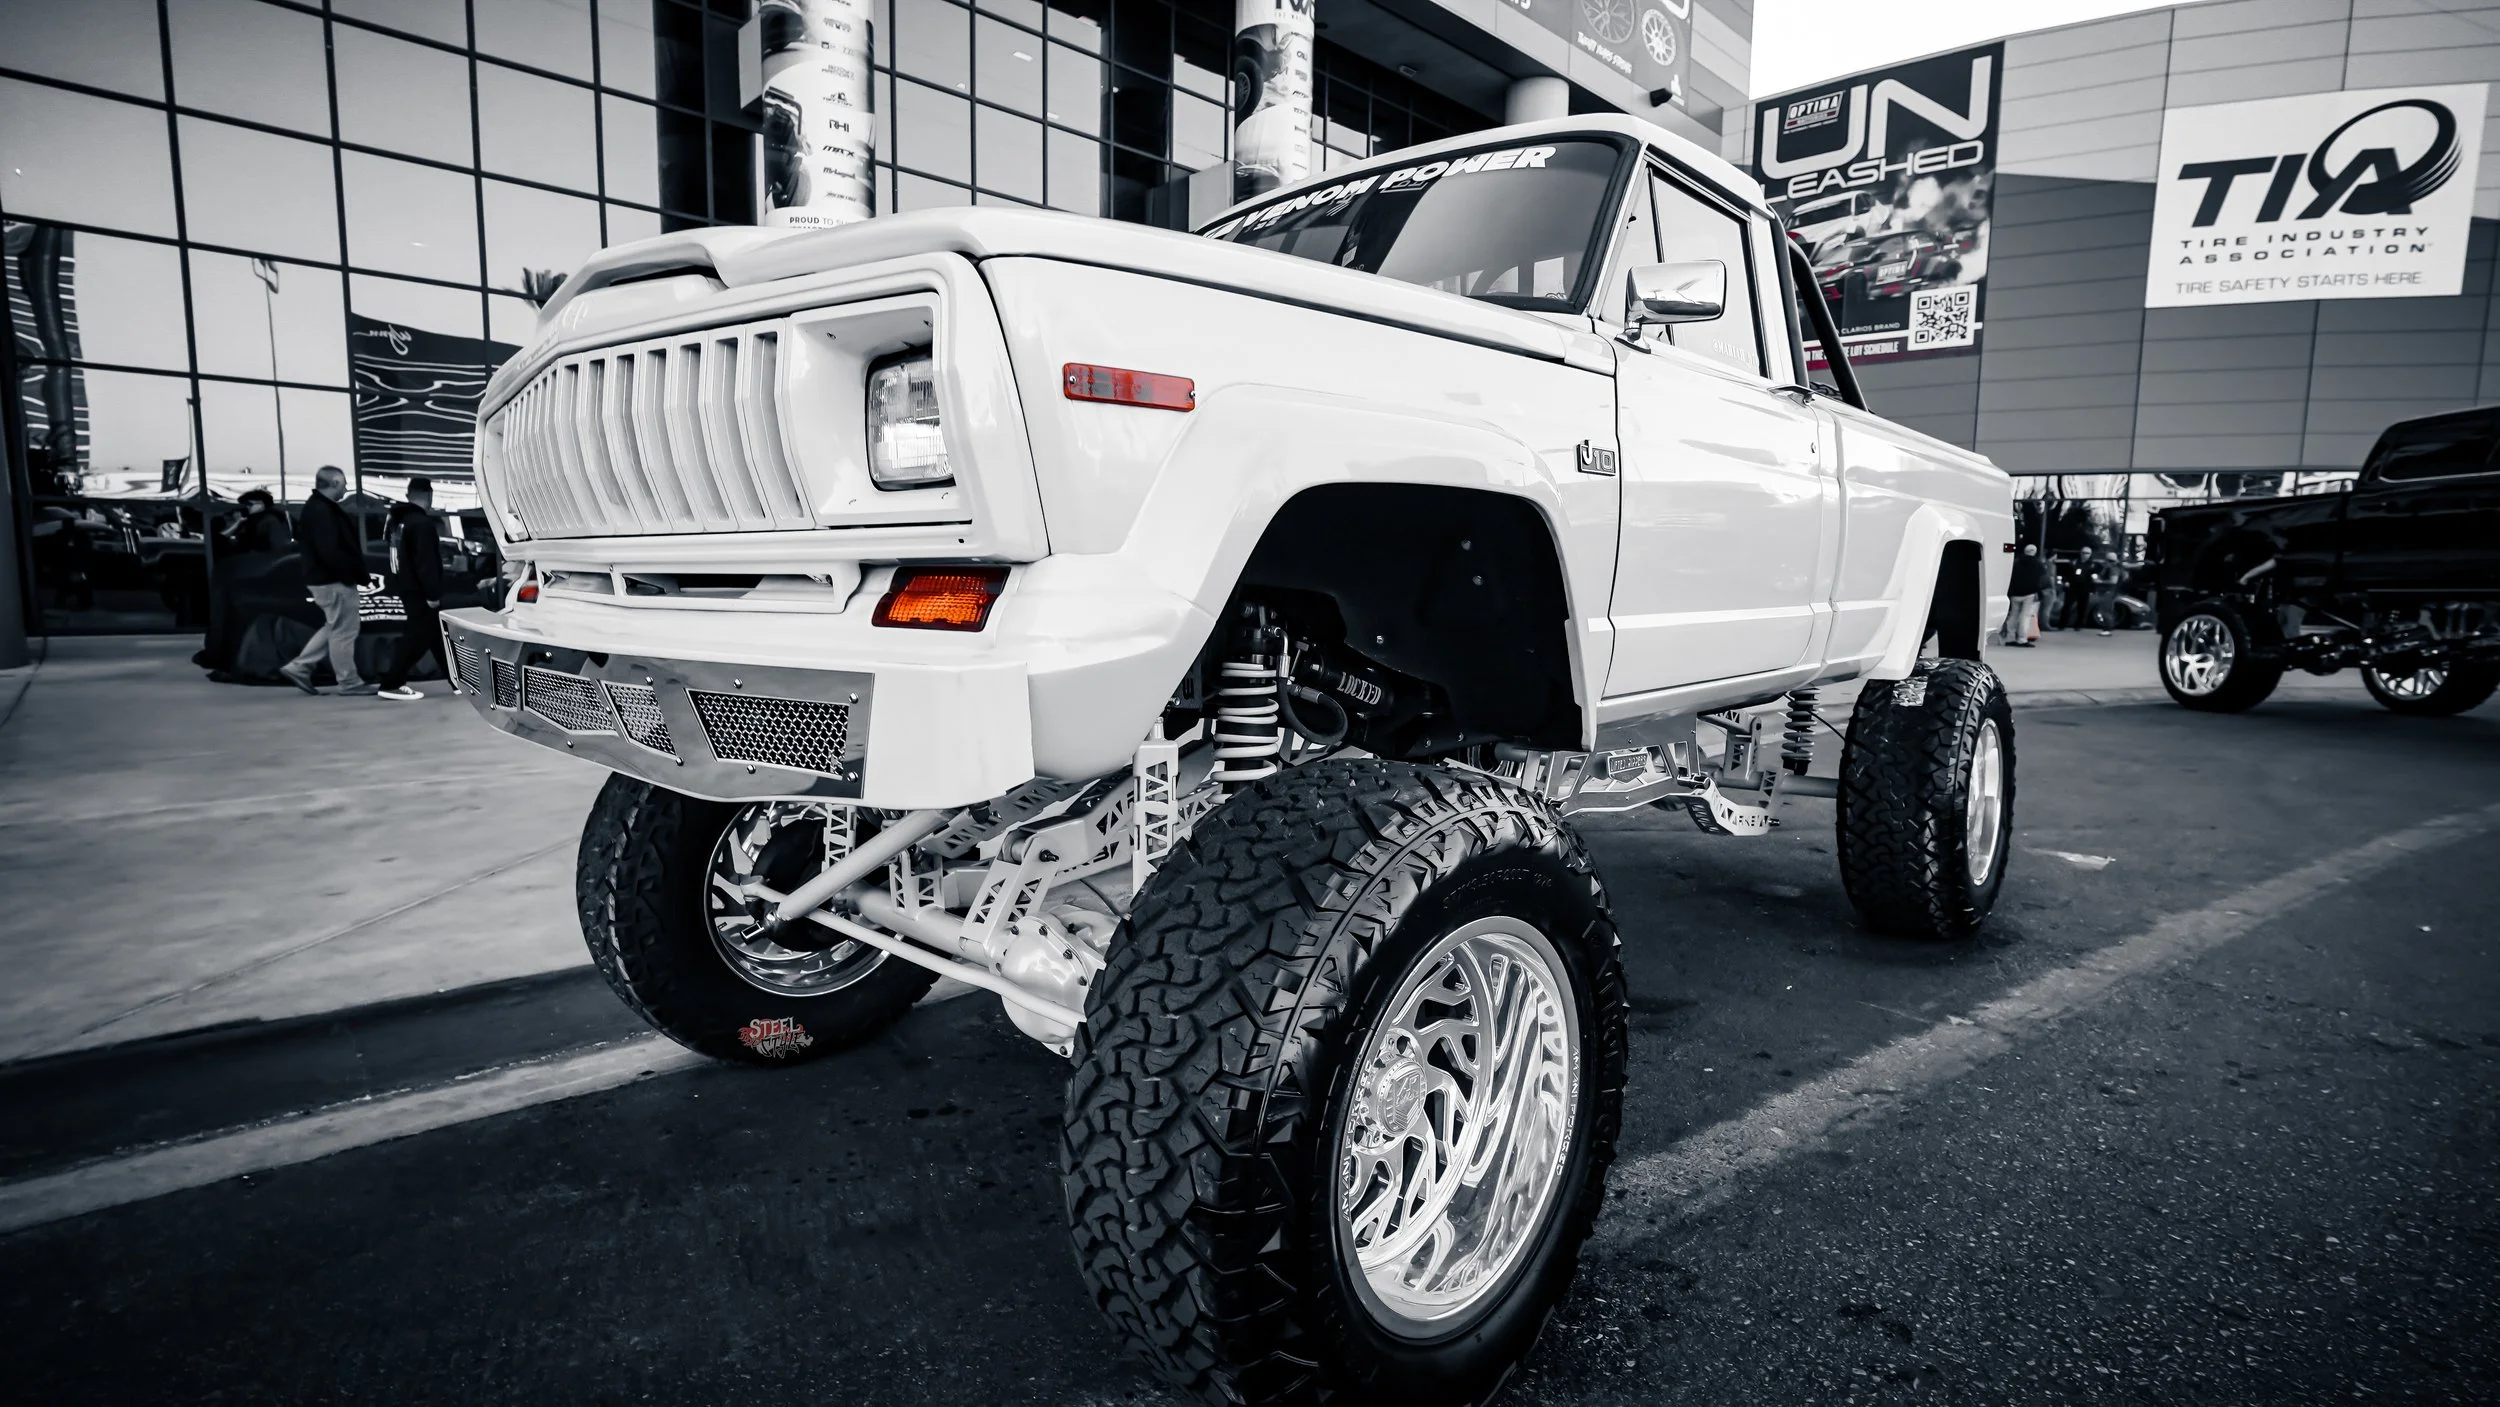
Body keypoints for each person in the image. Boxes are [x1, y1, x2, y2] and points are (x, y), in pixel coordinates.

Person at [280, 465, 377, 696]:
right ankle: (349, 682)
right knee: (344, 631)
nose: (346, 488)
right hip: (334, 581)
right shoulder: (323, 511)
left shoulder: (317, 508)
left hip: (325, 579)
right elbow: (331, 550)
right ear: (334, 483)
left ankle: (299, 667)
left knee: (334, 627)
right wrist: (348, 576)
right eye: (343, 483)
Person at [377, 478, 446, 701]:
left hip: (405, 584)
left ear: (408, 495)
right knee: (417, 635)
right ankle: (392, 682)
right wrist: (433, 594)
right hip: (420, 589)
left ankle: (457, 681)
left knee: (435, 634)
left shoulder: (397, 521)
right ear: (429, 495)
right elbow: (425, 562)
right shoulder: (422, 524)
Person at [216, 488, 293, 556]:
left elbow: (279, 547)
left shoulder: (269, 520)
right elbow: (222, 538)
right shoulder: (250, 521)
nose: (247, 507)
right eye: (246, 504)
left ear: (262, 504)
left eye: (250, 504)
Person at [2001, 543, 2047, 646]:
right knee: (2025, 617)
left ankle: (2010, 638)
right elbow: (2042, 580)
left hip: (2015, 593)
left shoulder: (2016, 562)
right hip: (2029, 593)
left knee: (2013, 615)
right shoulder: (2038, 564)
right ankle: (2022, 639)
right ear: (2034, 552)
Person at [2087, 552, 2123, 636]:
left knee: (2106, 610)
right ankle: (2107, 628)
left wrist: (2100, 581)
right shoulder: (2112, 567)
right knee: (2105, 610)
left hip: (2108, 591)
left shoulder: (2113, 568)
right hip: (2107, 591)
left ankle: (2107, 629)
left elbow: (2113, 581)